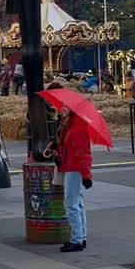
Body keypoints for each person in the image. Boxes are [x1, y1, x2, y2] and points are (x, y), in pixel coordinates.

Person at [45, 106, 92, 253]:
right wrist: (56, 146)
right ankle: (80, 237)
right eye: (62, 107)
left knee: (71, 204)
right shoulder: (70, 125)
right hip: (71, 167)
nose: (62, 109)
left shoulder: (77, 127)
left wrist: (86, 175)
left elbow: (83, 153)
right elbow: (70, 149)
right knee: (76, 203)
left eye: (66, 107)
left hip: (74, 169)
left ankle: (77, 240)